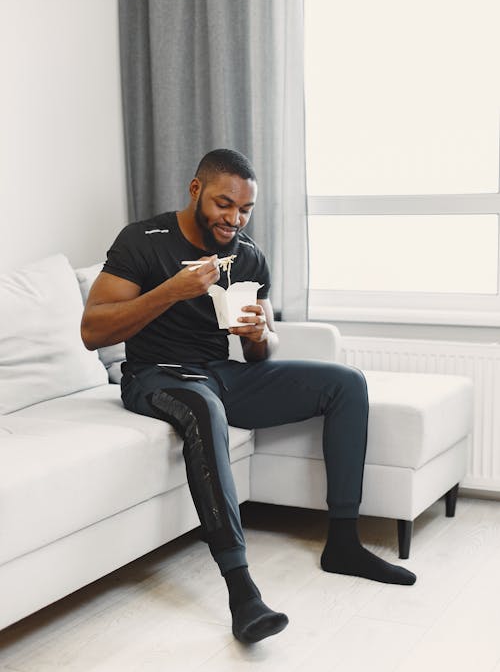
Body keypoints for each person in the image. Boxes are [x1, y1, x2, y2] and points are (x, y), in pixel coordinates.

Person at [81, 149, 416, 644]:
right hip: (156, 375)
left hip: (221, 371)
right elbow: (92, 332)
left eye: (245, 209)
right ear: (195, 191)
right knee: (202, 406)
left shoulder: (248, 255)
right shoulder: (143, 240)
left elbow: (260, 356)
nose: (234, 219)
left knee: (346, 383)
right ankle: (242, 591)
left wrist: (260, 333)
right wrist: (171, 290)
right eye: (224, 204)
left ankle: (343, 542)